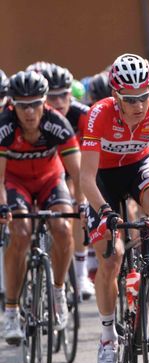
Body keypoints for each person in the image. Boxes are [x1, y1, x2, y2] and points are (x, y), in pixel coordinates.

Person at [80, 53, 149, 363]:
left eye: (144, 96)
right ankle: (108, 336)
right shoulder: (98, 114)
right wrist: (104, 211)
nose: (139, 105)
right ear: (116, 96)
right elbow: (86, 178)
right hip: (103, 179)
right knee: (112, 257)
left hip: (138, 165)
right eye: (130, 99)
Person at [0, 71, 85, 344]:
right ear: (12, 104)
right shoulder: (4, 126)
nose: (29, 112)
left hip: (50, 180)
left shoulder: (56, 123)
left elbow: (78, 172)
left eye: (35, 104)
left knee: (63, 227)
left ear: (44, 102)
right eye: (22, 105)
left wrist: (82, 204)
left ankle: (58, 292)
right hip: (15, 183)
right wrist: (3, 207)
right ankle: (11, 311)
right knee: (21, 233)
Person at [42, 64, 95, 300]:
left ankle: (81, 273)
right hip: (48, 172)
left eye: (63, 95)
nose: (58, 101)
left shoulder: (83, 114)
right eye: (52, 97)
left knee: (78, 205)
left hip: (77, 169)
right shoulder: (35, 117)